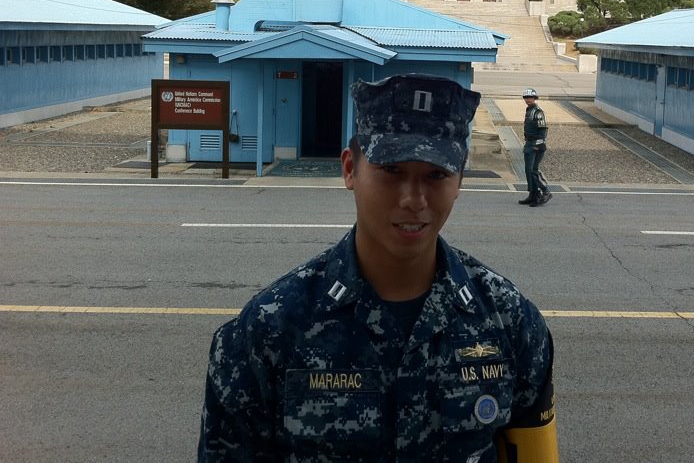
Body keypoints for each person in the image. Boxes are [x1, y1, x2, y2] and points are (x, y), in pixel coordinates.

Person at [198, 73, 559, 462]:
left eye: (436, 174)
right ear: (350, 169)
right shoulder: (268, 331)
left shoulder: (510, 321)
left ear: (459, 180)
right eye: (392, 170)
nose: (414, 199)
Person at [519, 88, 551, 207]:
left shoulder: (538, 112)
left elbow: (543, 129)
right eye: (526, 97)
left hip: (535, 144)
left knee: (533, 170)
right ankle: (533, 194)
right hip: (529, 143)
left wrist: (537, 145)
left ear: (534, 98)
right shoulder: (529, 110)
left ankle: (545, 191)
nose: (527, 99)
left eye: (530, 97)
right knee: (528, 170)